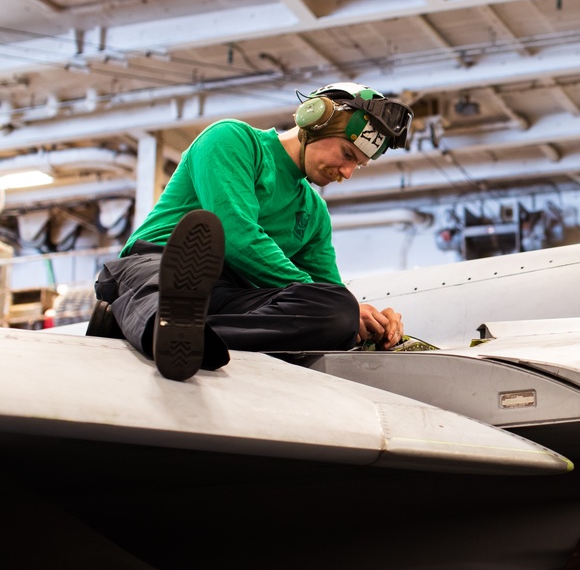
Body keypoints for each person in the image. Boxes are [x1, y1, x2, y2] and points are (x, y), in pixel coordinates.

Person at [86, 81, 412, 381]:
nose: (347, 172)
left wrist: (362, 319)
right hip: (161, 264)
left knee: (336, 311)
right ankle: (156, 320)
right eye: (347, 154)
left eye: (359, 165)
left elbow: (325, 292)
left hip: (230, 296)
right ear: (314, 120)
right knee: (169, 286)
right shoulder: (232, 140)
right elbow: (236, 236)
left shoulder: (314, 213)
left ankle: (165, 332)